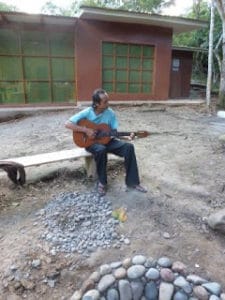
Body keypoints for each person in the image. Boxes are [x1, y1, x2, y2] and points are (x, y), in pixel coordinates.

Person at [65, 88, 147, 196]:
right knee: (101, 149)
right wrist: (86, 130)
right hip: (90, 142)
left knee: (129, 147)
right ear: (96, 104)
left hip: (107, 140)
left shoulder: (110, 113)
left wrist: (127, 137)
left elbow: (113, 133)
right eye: (105, 102)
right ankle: (102, 182)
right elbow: (67, 124)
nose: (108, 103)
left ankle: (133, 183)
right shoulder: (87, 112)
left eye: (108, 100)